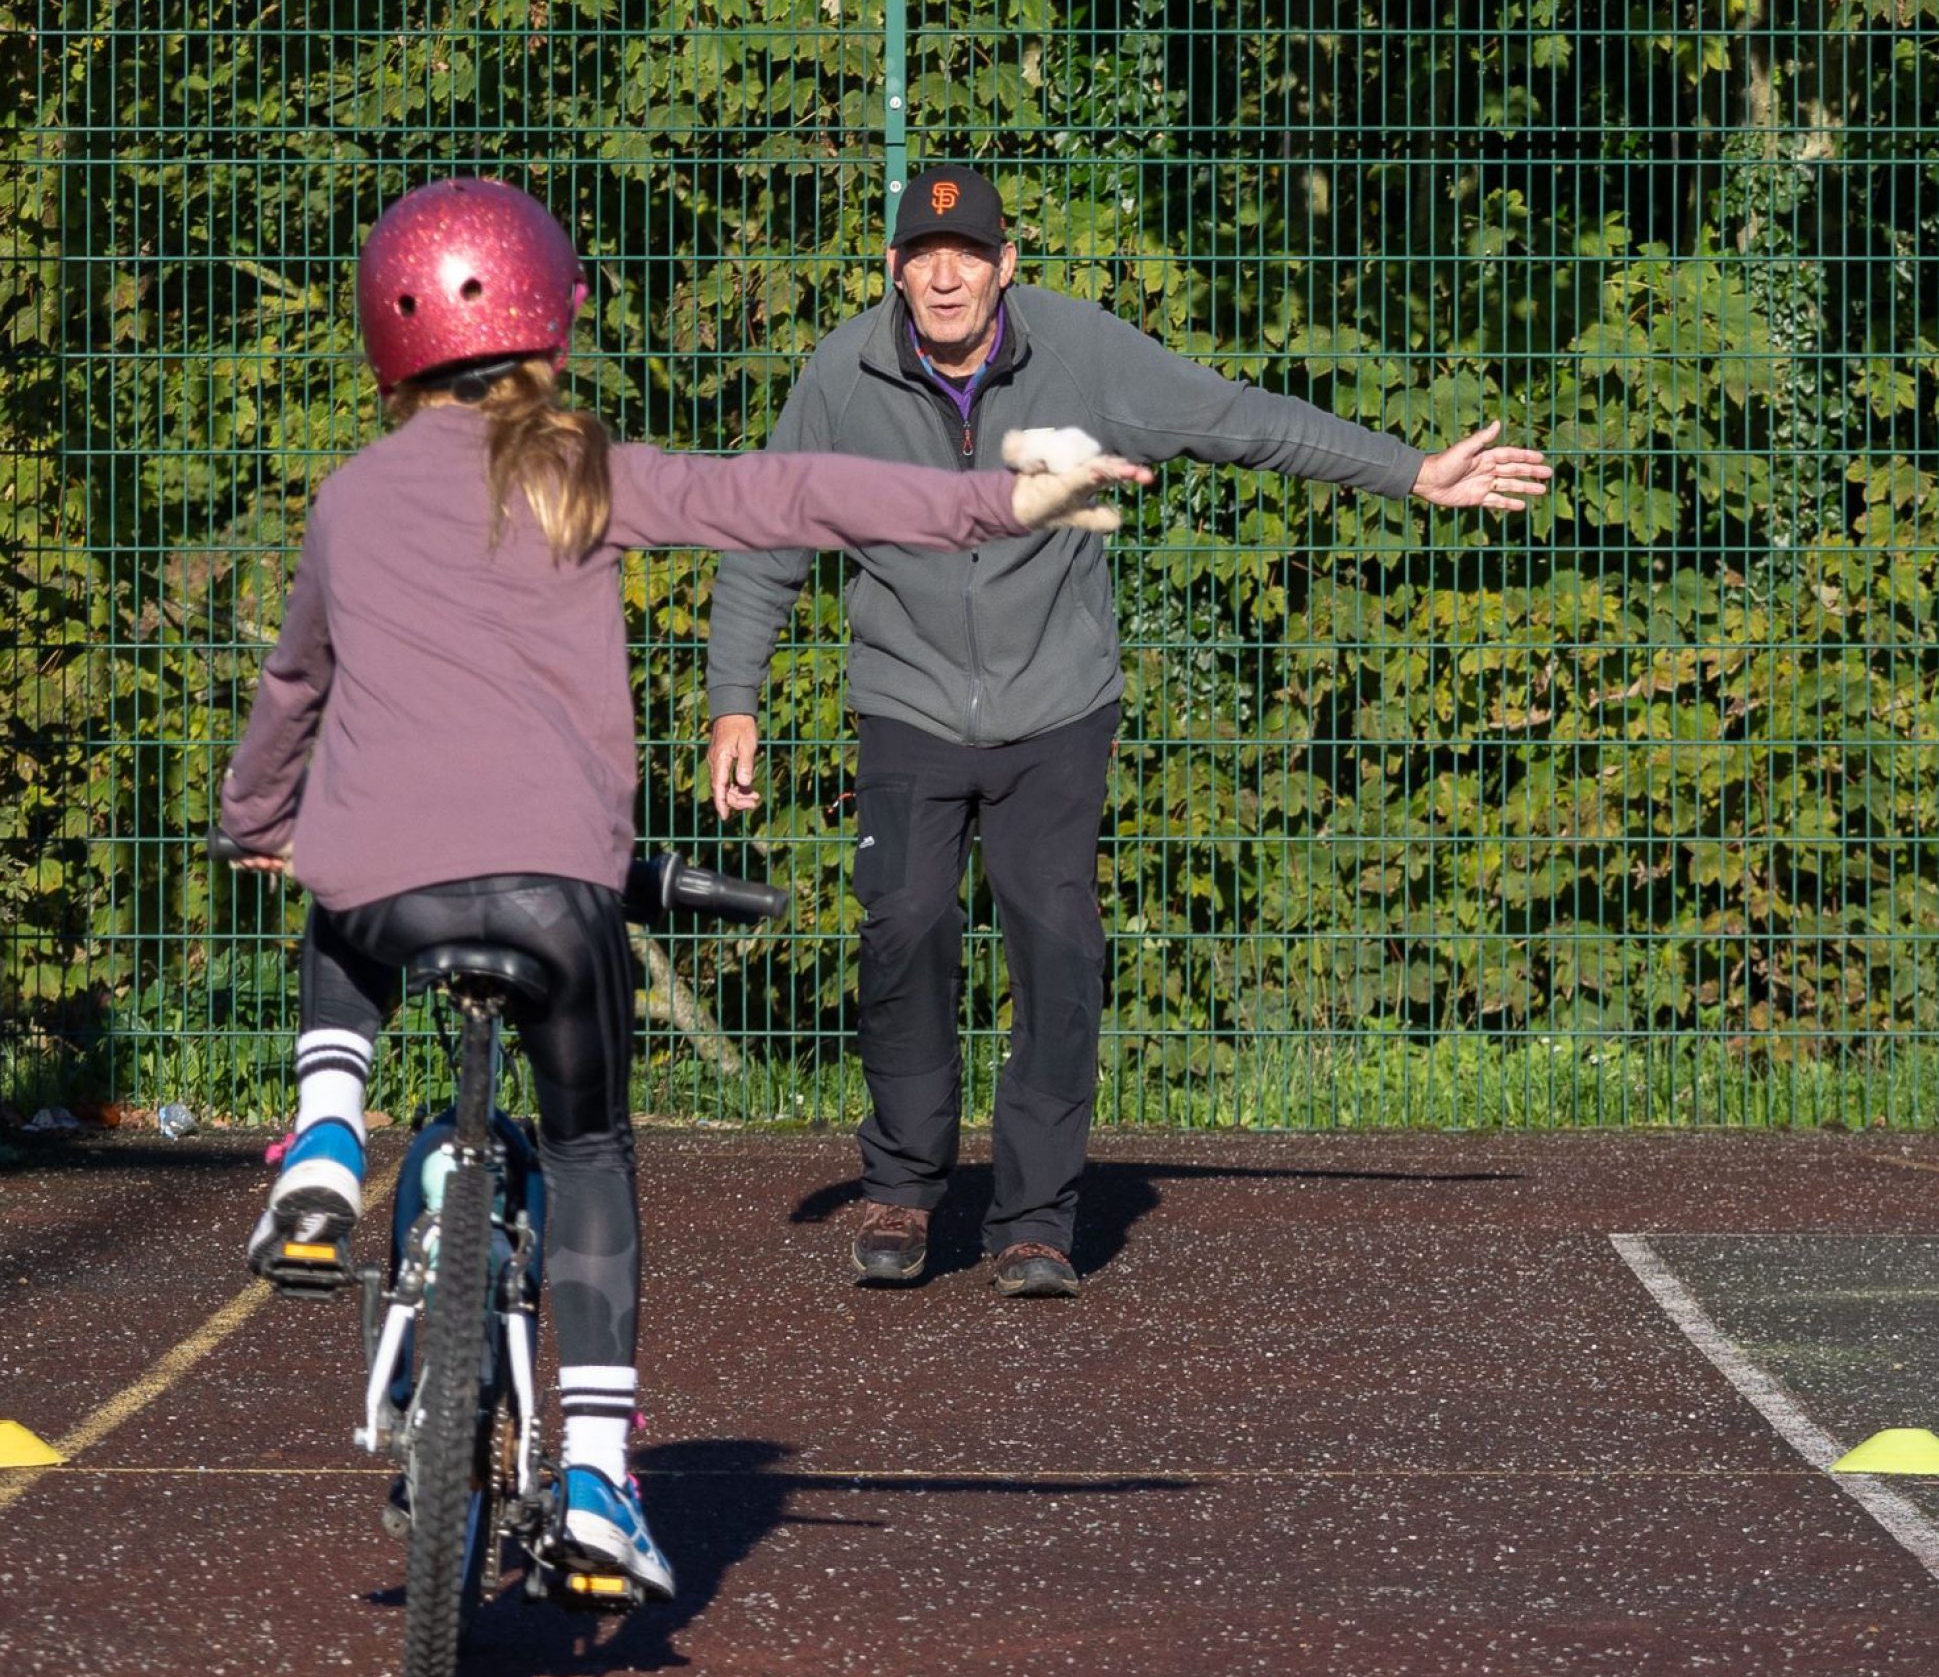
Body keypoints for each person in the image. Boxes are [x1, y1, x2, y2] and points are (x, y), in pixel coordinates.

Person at [219, 174, 1148, 1596]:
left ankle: (328, 1128)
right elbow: (787, 493)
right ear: (550, 318)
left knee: (335, 871)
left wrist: (253, 820)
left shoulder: (346, 500)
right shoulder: (576, 463)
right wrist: (1007, 495)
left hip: (387, 893)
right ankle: (595, 1475)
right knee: (587, 1156)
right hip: (558, 893)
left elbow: (294, 690)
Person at [705, 162, 1555, 1298]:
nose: (945, 276)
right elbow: (765, 536)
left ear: (1008, 265)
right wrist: (735, 699)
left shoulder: (1083, 355)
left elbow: (1238, 419)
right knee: (903, 927)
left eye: (969, 255)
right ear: (894, 271)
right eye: (923, 256)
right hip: (905, 702)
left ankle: (1034, 1222)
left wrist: (1410, 474)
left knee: (1056, 943)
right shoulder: (841, 376)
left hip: (1058, 704)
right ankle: (905, 1190)